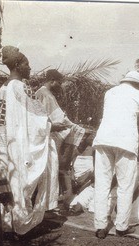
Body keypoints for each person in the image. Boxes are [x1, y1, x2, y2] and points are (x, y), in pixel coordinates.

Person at [0, 46, 59, 235]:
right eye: (26, 64)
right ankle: (21, 226)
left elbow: (2, 121)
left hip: (8, 144)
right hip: (22, 144)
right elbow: (37, 117)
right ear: (17, 65)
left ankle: (8, 224)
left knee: (11, 182)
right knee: (23, 183)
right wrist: (50, 126)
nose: (29, 68)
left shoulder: (3, 89)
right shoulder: (22, 87)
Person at [92, 70, 139, 239]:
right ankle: (121, 226)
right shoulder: (138, 95)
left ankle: (100, 226)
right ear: (138, 85)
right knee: (125, 185)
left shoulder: (110, 93)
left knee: (102, 184)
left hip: (103, 140)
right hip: (125, 142)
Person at [35, 69, 86, 206]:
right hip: (47, 136)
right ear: (52, 80)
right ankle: (45, 204)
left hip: (48, 134)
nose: (60, 85)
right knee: (49, 170)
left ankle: (46, 203)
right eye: (59, 82)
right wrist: (74, 127)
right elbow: (56, 118)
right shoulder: (45, 94)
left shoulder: (44, 93)